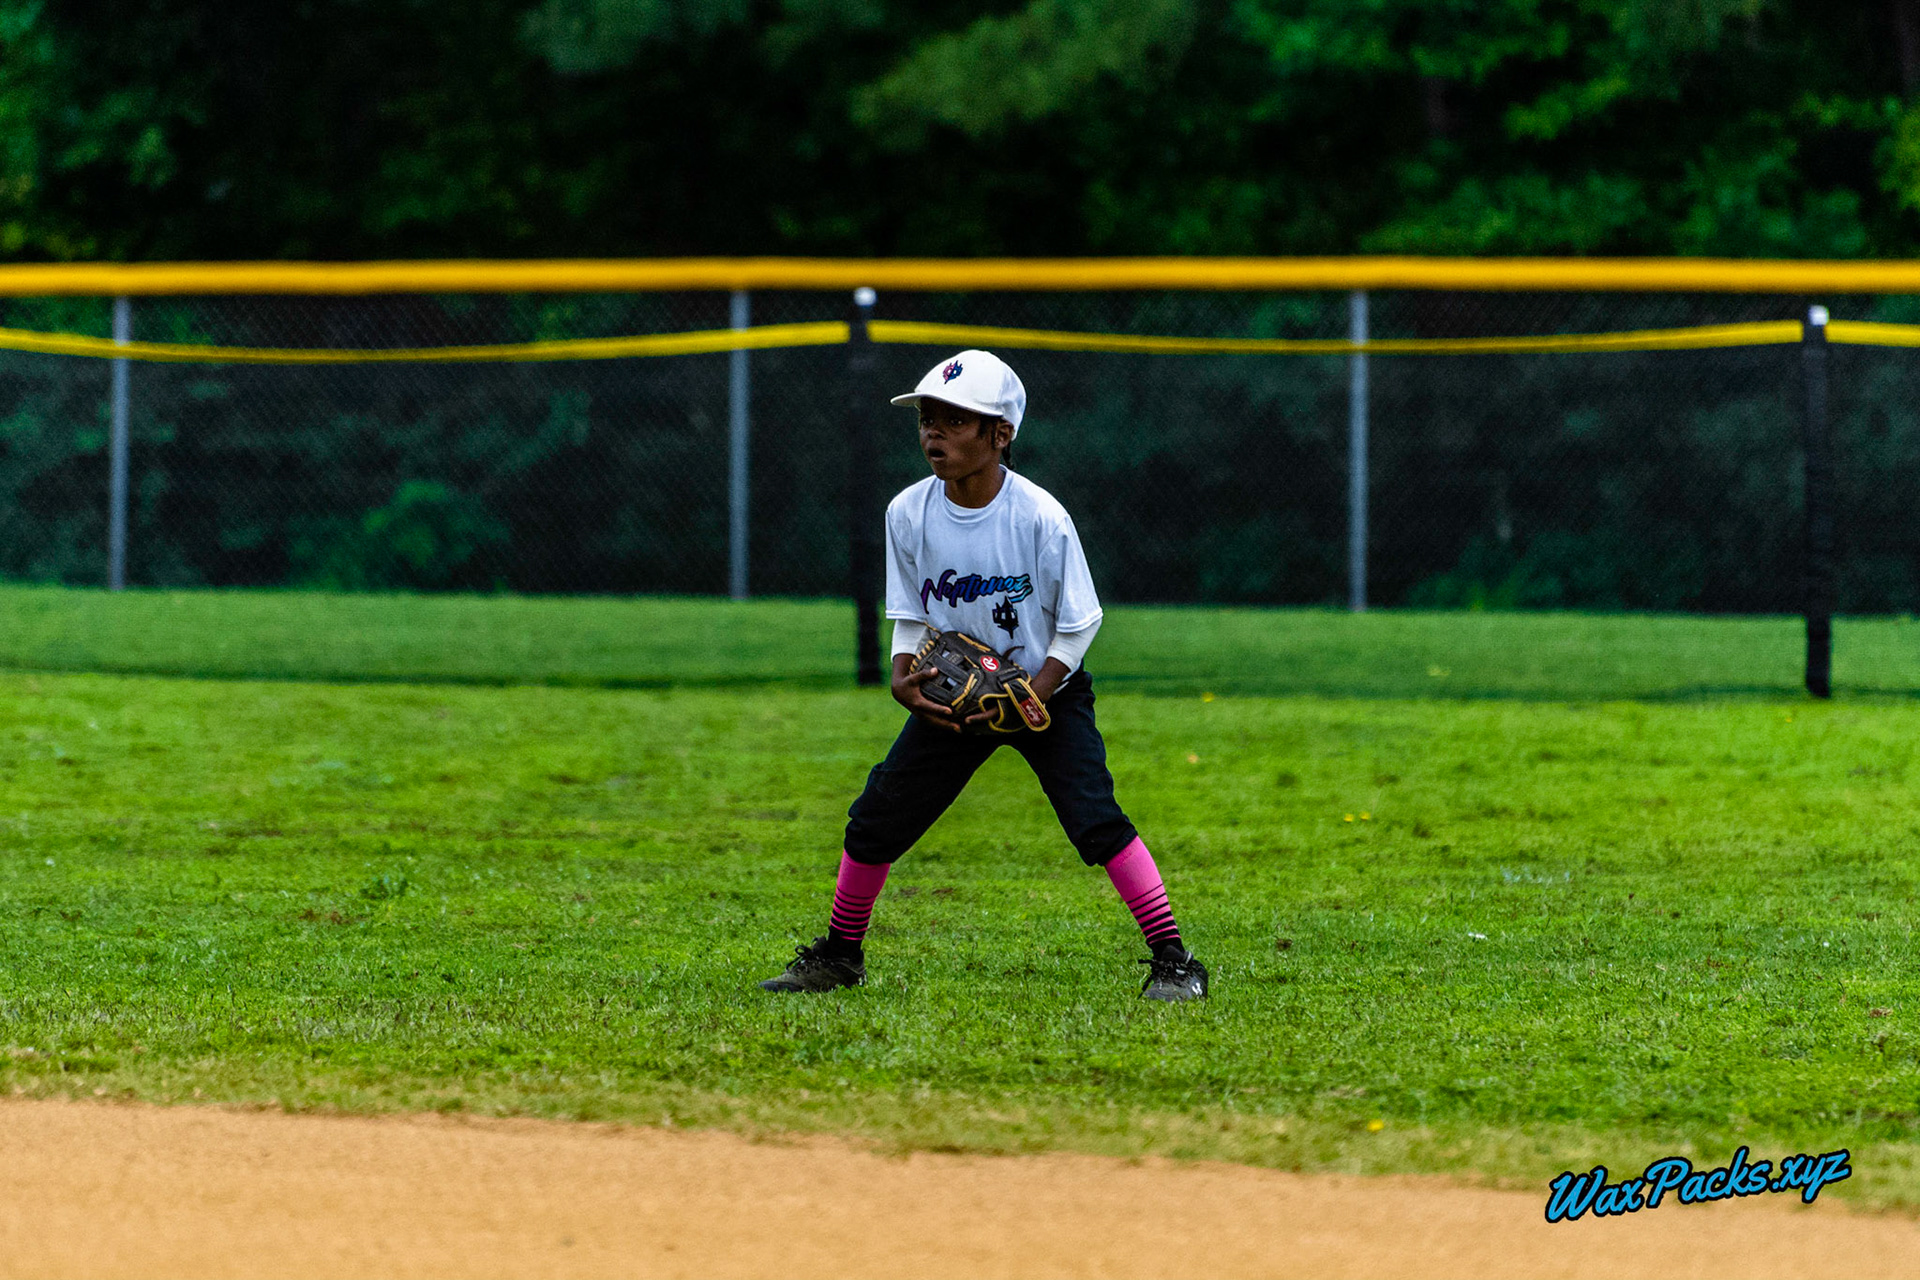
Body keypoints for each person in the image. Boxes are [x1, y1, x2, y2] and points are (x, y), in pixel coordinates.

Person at [759, 349, 1208, 1002]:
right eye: (928, 420)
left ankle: (1174, 960)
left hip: (1043, 691)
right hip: (952, 696)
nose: (934, 433)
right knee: (873, 821)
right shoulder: (908, 513)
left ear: (1001, 434)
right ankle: (840, 956)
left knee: (1096, 820)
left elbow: (1079, 624)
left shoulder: (1039, 518)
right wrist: (900, 676)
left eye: (955, 421)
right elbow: (911, 614)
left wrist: (1033, 694)